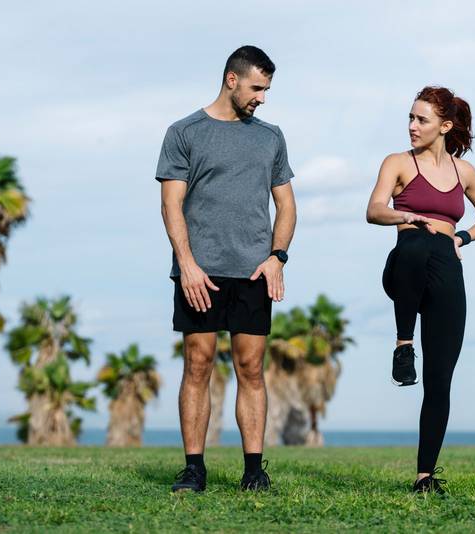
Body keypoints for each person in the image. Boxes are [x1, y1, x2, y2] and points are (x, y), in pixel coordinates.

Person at [156, 45, 297, 492]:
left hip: (253, 271)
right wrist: (187, 265)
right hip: (200, 272)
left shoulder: (271, 136)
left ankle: (254, 471)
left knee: (251, 368)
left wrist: (277, 258)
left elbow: (287, 205)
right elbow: (171, 204)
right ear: (232, 80)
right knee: (197, 364)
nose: (262, 97)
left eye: (267, 89)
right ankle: (194, 468)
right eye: (257, 87)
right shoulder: (184, 132)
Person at [366, 86, 475, 494]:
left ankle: (425, 476)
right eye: (410, 118)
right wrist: (407, 215)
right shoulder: (397, 163)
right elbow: (373, 210)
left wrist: (462, 238)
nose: (411, 126)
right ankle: (404, 343)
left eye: (421, 120)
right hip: (404, 266)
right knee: (420, 239)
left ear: (444, 126)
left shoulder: (465, 172)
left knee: (440, 379)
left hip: (445, 269)